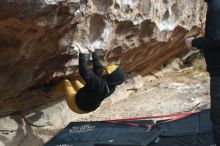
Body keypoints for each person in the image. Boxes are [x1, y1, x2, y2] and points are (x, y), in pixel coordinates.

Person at [47, 42, 127, 114]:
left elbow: (85, 72)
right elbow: (99, 71)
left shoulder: (100, 85)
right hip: (87, 104)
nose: (105, 71)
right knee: (75, 82)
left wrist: (82, 53)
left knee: (66, 82)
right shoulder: (112, 85)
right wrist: (93, 52)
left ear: (111, 77)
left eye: (107, 72)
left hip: (77, 106)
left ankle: (49, 92)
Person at [185, 0, 220, 145]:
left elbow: (215, 40)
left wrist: (193, 42)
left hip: (219, 72)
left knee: (218, 116)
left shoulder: (215, 5)